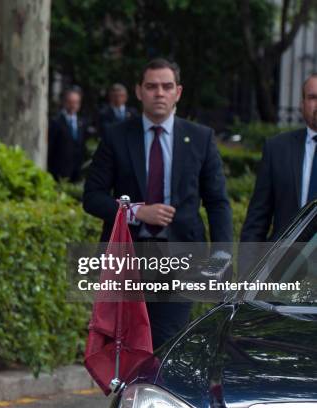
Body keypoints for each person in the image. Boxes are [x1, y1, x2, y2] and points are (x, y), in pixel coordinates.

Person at [83, 58, 232, 349]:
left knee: (167, 344)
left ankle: (158, 395)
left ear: (178, 92)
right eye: (152, 86)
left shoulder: (200, 138)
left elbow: (217, 203)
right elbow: (92, 197)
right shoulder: (116, 136)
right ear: (139, 91)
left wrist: (221, 257)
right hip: (128, 261)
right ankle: (131, 396)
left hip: (181, 260)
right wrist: (137, 212)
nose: (159, 93)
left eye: (166, 86)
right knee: (127, 348)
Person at [241, 73, 317, 243]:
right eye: (313, 97)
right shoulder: (277, 149)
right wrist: (249, 267)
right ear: (302, 104)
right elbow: (257, 218)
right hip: (283, 263)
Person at [47, 87, 87, 182]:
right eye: (70, 102)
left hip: (76, 170)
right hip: (59, 170)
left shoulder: (82, 122)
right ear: (65, 102)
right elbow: (51, 146)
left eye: (76, 102)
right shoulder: (56, 121)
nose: (73, 105)